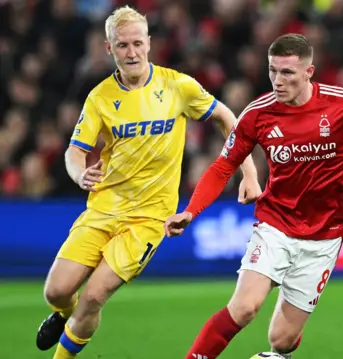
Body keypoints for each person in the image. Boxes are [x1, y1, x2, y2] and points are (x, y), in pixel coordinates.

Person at [35, 6, 262, 359]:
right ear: (110, 49)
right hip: (102, 209)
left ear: (149, 43)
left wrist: (248, 171)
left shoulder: (177, 86)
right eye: (122, 45)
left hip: (149, 218)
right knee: (56, 292)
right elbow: (74, 151)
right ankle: (64, 313)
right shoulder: (100, 97)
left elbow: (226, 117)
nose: (132, 52)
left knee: (94, 297)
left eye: (138, 43)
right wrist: (80, 173)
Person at [165, 33, 343, 359]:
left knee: (281, 340)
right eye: (273, 70)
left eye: (287, 72)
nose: (277, 80)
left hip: (325, 234)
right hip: (275, 223)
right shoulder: (257, 113)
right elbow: (223, 167)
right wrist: (190, 211)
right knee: (244, 308)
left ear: (309, 72)